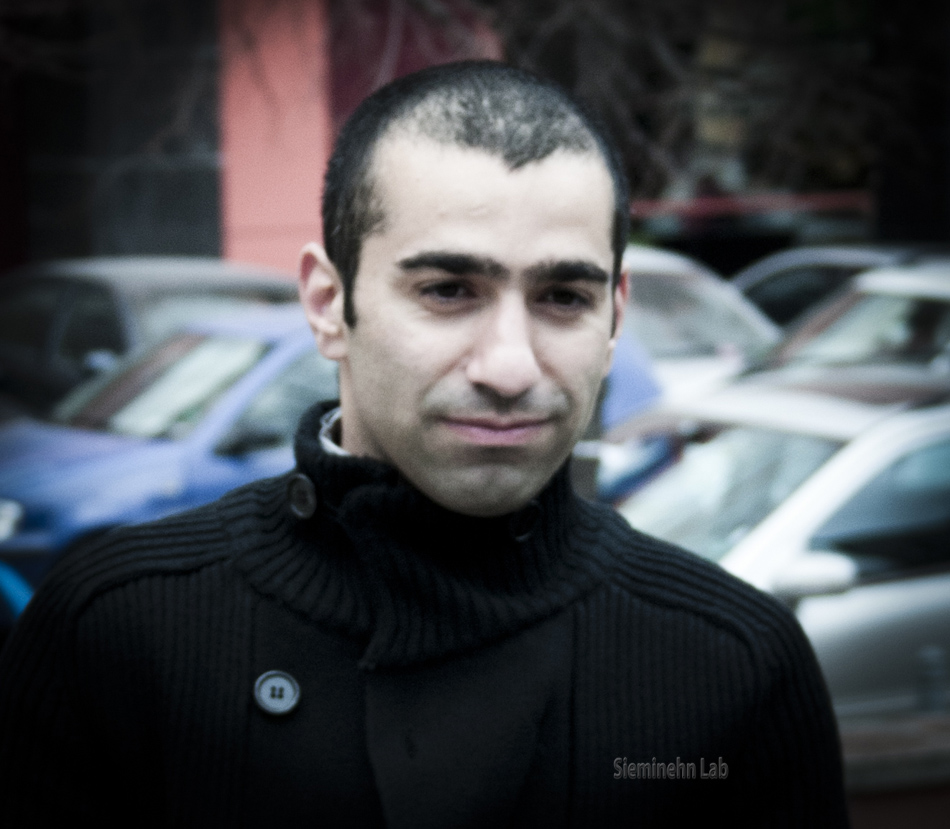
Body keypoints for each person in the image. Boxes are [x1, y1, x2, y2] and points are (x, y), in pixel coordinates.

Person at [0, 62, 848, 826]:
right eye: (447, 289)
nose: (510, 366)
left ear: (616, 315)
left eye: (563, 297)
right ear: (328, 304)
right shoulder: (114, 630)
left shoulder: (733, 664)